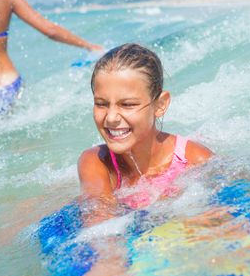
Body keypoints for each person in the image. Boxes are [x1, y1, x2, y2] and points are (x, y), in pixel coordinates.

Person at [77, 43, 213, 225]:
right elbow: (98, 218)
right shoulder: (97, 162)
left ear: (160, 105)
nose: (110, 118)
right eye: (101, 104)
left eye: (127, 105)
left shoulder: (194, 159)